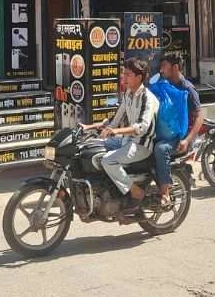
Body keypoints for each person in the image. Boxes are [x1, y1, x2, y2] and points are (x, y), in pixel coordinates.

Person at [82, 58, 158, 206]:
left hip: (141, 145)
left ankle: (135, 190)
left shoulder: (148, 98)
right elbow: (115, 120)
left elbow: (141, 127)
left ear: (139, 77)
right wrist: (90, 127)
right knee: (92, 148)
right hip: (125, 140)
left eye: (128, 74)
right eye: (124, 74)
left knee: (108, 160)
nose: (124, 77)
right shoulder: (128, 94)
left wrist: (115, 131)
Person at [153, 55, 202, 206]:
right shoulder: (165, 85)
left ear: (175, 68)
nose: (162, 70)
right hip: (166, 132)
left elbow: (200, 116)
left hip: (181, 136)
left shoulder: (187, 88)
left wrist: (187, 140)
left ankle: (165, 191)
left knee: (161, 150)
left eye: (165, 66)